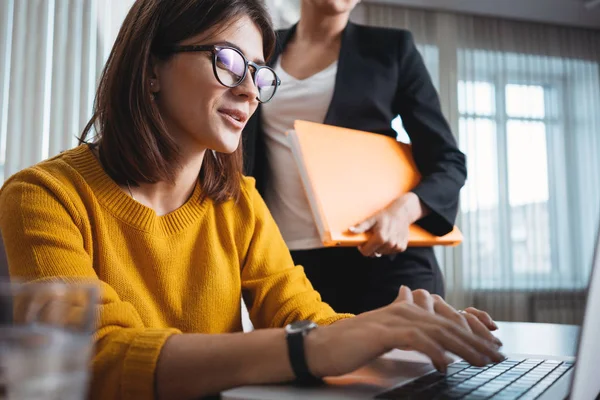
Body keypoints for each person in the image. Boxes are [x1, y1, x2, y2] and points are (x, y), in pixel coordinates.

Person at [0, 0, 502, 399]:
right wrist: (316, 346)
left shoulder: (239, 201)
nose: (249, 90)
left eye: (260, 75)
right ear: (151, 67)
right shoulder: (43, 196)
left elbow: (303, 317)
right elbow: (96, 357)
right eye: (227, 61)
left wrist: (394, 329)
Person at [243, 0, 467, 314]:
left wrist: (403, 212)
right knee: (303, 361)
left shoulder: (390, 49)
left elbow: (448, 161)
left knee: (404, 363)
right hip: (288, 261)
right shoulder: (262, 46)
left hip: (381, 255)